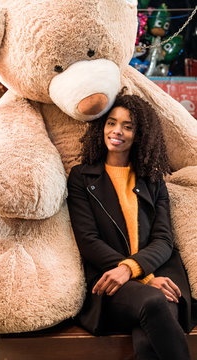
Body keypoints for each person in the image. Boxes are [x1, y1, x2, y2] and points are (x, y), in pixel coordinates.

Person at [67, 92, 196, 360]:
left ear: (140, 135)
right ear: (101, 126)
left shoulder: (153, 180)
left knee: (149, 335)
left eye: (128, 126)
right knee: (153, 302)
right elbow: (89, 241)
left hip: (163, 276)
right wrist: (141, 277)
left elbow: (163, 240)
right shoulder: (82, 177)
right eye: (111, 122)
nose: (117, 131)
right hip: (111, 280)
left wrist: (136, 271)